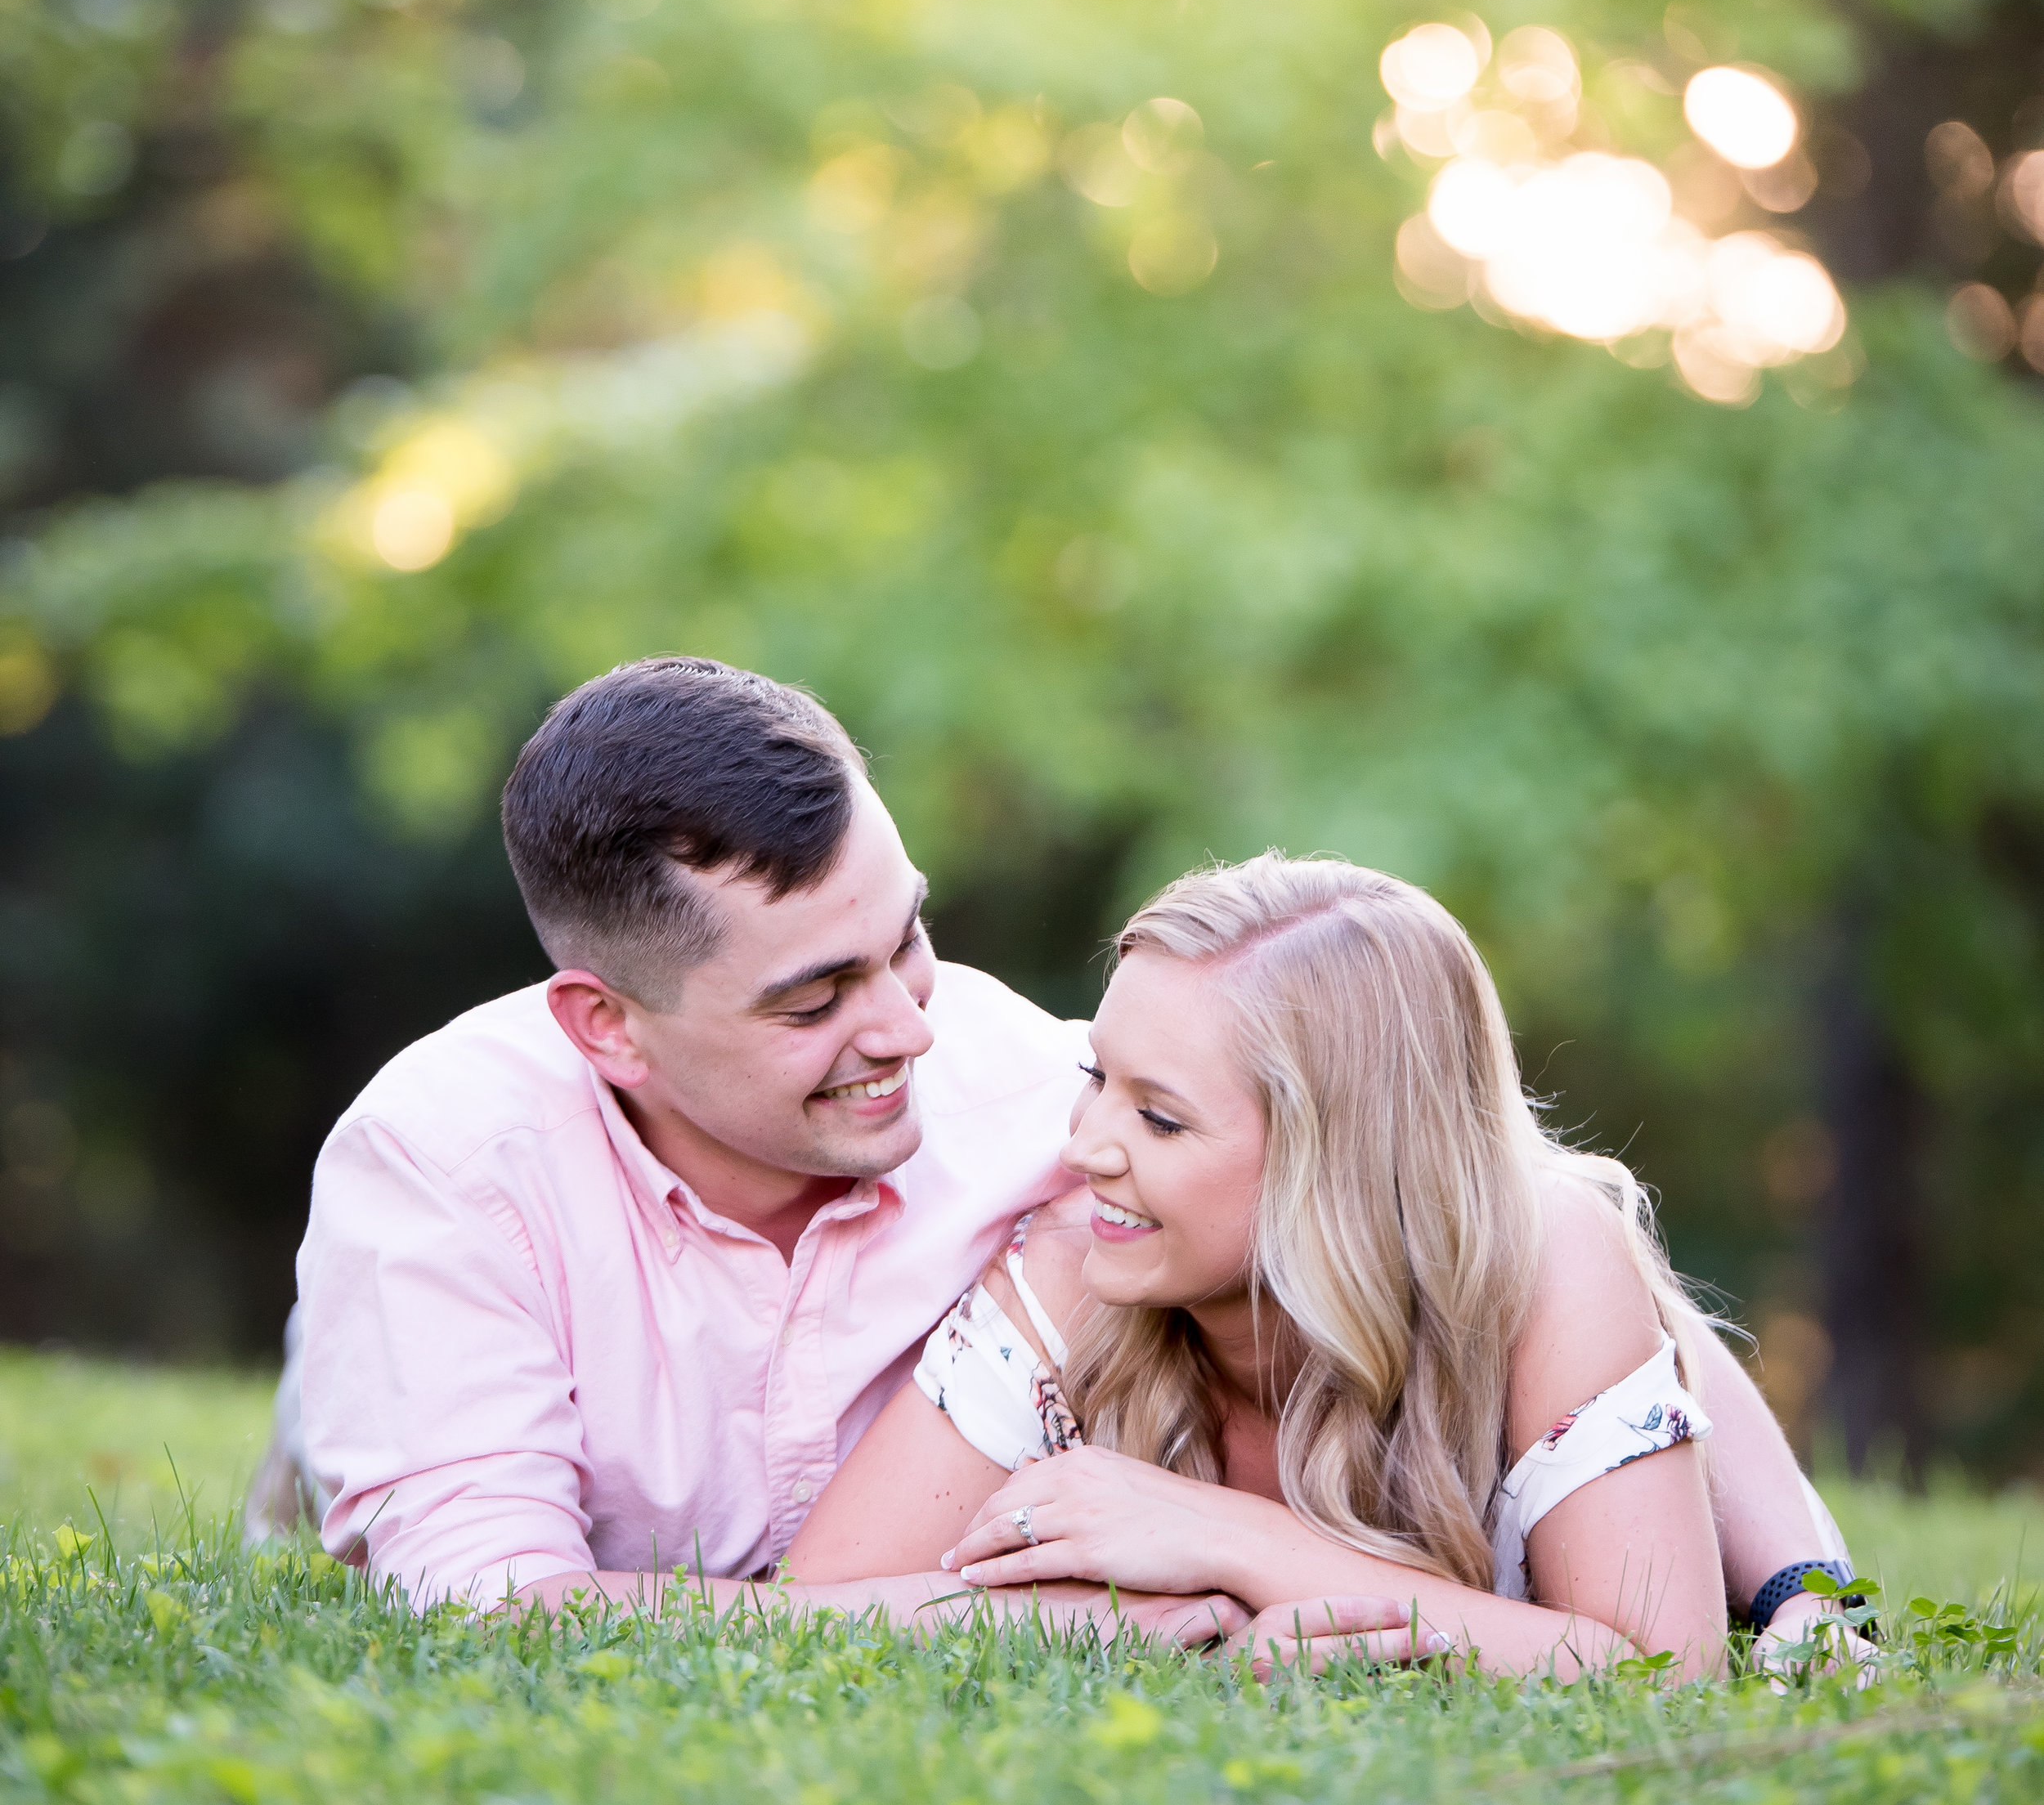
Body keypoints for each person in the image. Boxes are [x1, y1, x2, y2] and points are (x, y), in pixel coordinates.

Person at [275, 654, 1231, 1645]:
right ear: (608, 1024)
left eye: (907, 939)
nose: (907, 1031)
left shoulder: (1052, 1100)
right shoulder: (443, 1164)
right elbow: (491, 1609)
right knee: (361, 1403)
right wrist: (992, 1620)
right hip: (400, 1327)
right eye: (814, 1002)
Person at [787, 855, 1862, 1678]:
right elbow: (805, 1607)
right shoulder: (1072, 1270)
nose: (1084, 1147)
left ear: (1337, 1163)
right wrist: (1072, 1612)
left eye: (1159, 1117)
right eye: (1096, 1075)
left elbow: (1662, 1672)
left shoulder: (1548, 1267)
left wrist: (1228, 1539)